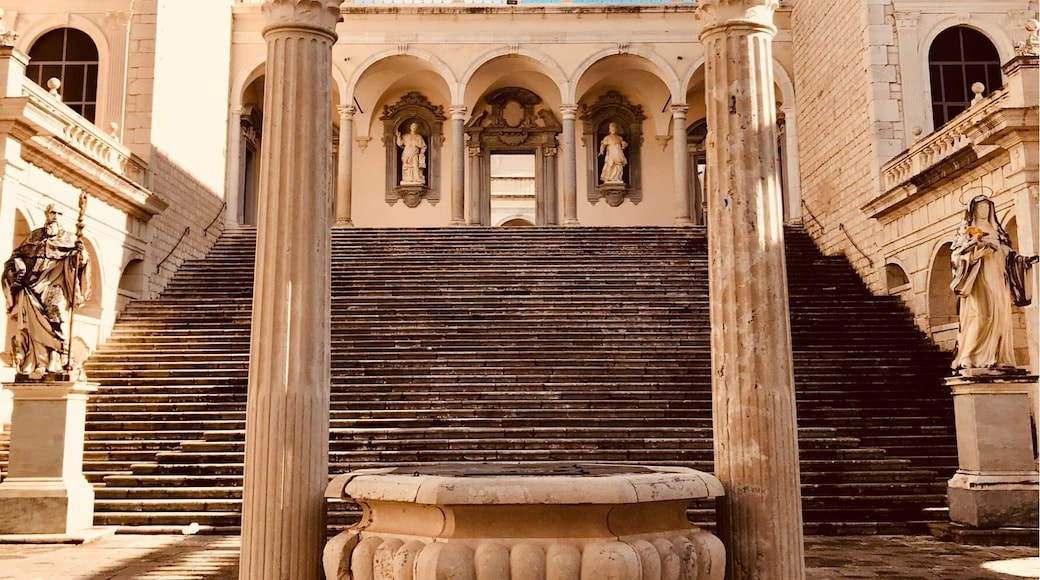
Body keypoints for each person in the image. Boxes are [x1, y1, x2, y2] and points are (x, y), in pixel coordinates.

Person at [949, 195, 1037, 373]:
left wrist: (1023, 261)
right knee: (981, 315)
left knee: (1000, 317)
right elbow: (956, 258)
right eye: (980, 207)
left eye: (987, 207)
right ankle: (969, 355)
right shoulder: (967, 232)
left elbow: (1007, 254)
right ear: (973, 210)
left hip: (998, 277)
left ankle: (998, 357)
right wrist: (976, 254)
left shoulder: (997, 231)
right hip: (979, 279)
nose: (984, 211)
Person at [2, 204, 91, 379]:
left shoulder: (70, 238)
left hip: (55, 282)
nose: (55, 216)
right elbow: (16, 256)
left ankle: (58, 358)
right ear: (47, 214)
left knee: (55, 311)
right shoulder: (35, 235)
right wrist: (17, 264)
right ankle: (40, 362)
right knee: (32, 326)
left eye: (59, 213)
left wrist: (80, 255)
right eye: (53, 213)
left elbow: (80, 263)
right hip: (31, 287)